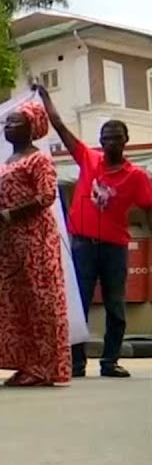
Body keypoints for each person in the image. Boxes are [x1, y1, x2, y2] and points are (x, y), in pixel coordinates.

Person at [40, 87, 152, 378]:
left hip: (114, 247)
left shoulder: (136, 176)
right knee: (80, 304)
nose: (109, 143)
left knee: (116, 305)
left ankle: (110, 361)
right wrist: (44, 97)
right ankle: (76, 363)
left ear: (125, 141)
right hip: (83, 245)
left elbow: (149, 208)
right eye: (105, 138)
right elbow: (60, 126)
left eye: (115, 138)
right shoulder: (88, 159)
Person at [0, 100, 70, 386]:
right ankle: (25, 363)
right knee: (17, 301)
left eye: (15, 123)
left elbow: (46, 195)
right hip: (10, 241)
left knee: (40, 299)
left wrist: (13, 212)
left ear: (32, 127)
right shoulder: (7, 162)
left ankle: (44, 367)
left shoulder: (39, 159)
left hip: (35, 239)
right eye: (7, 123)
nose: (8, 127)